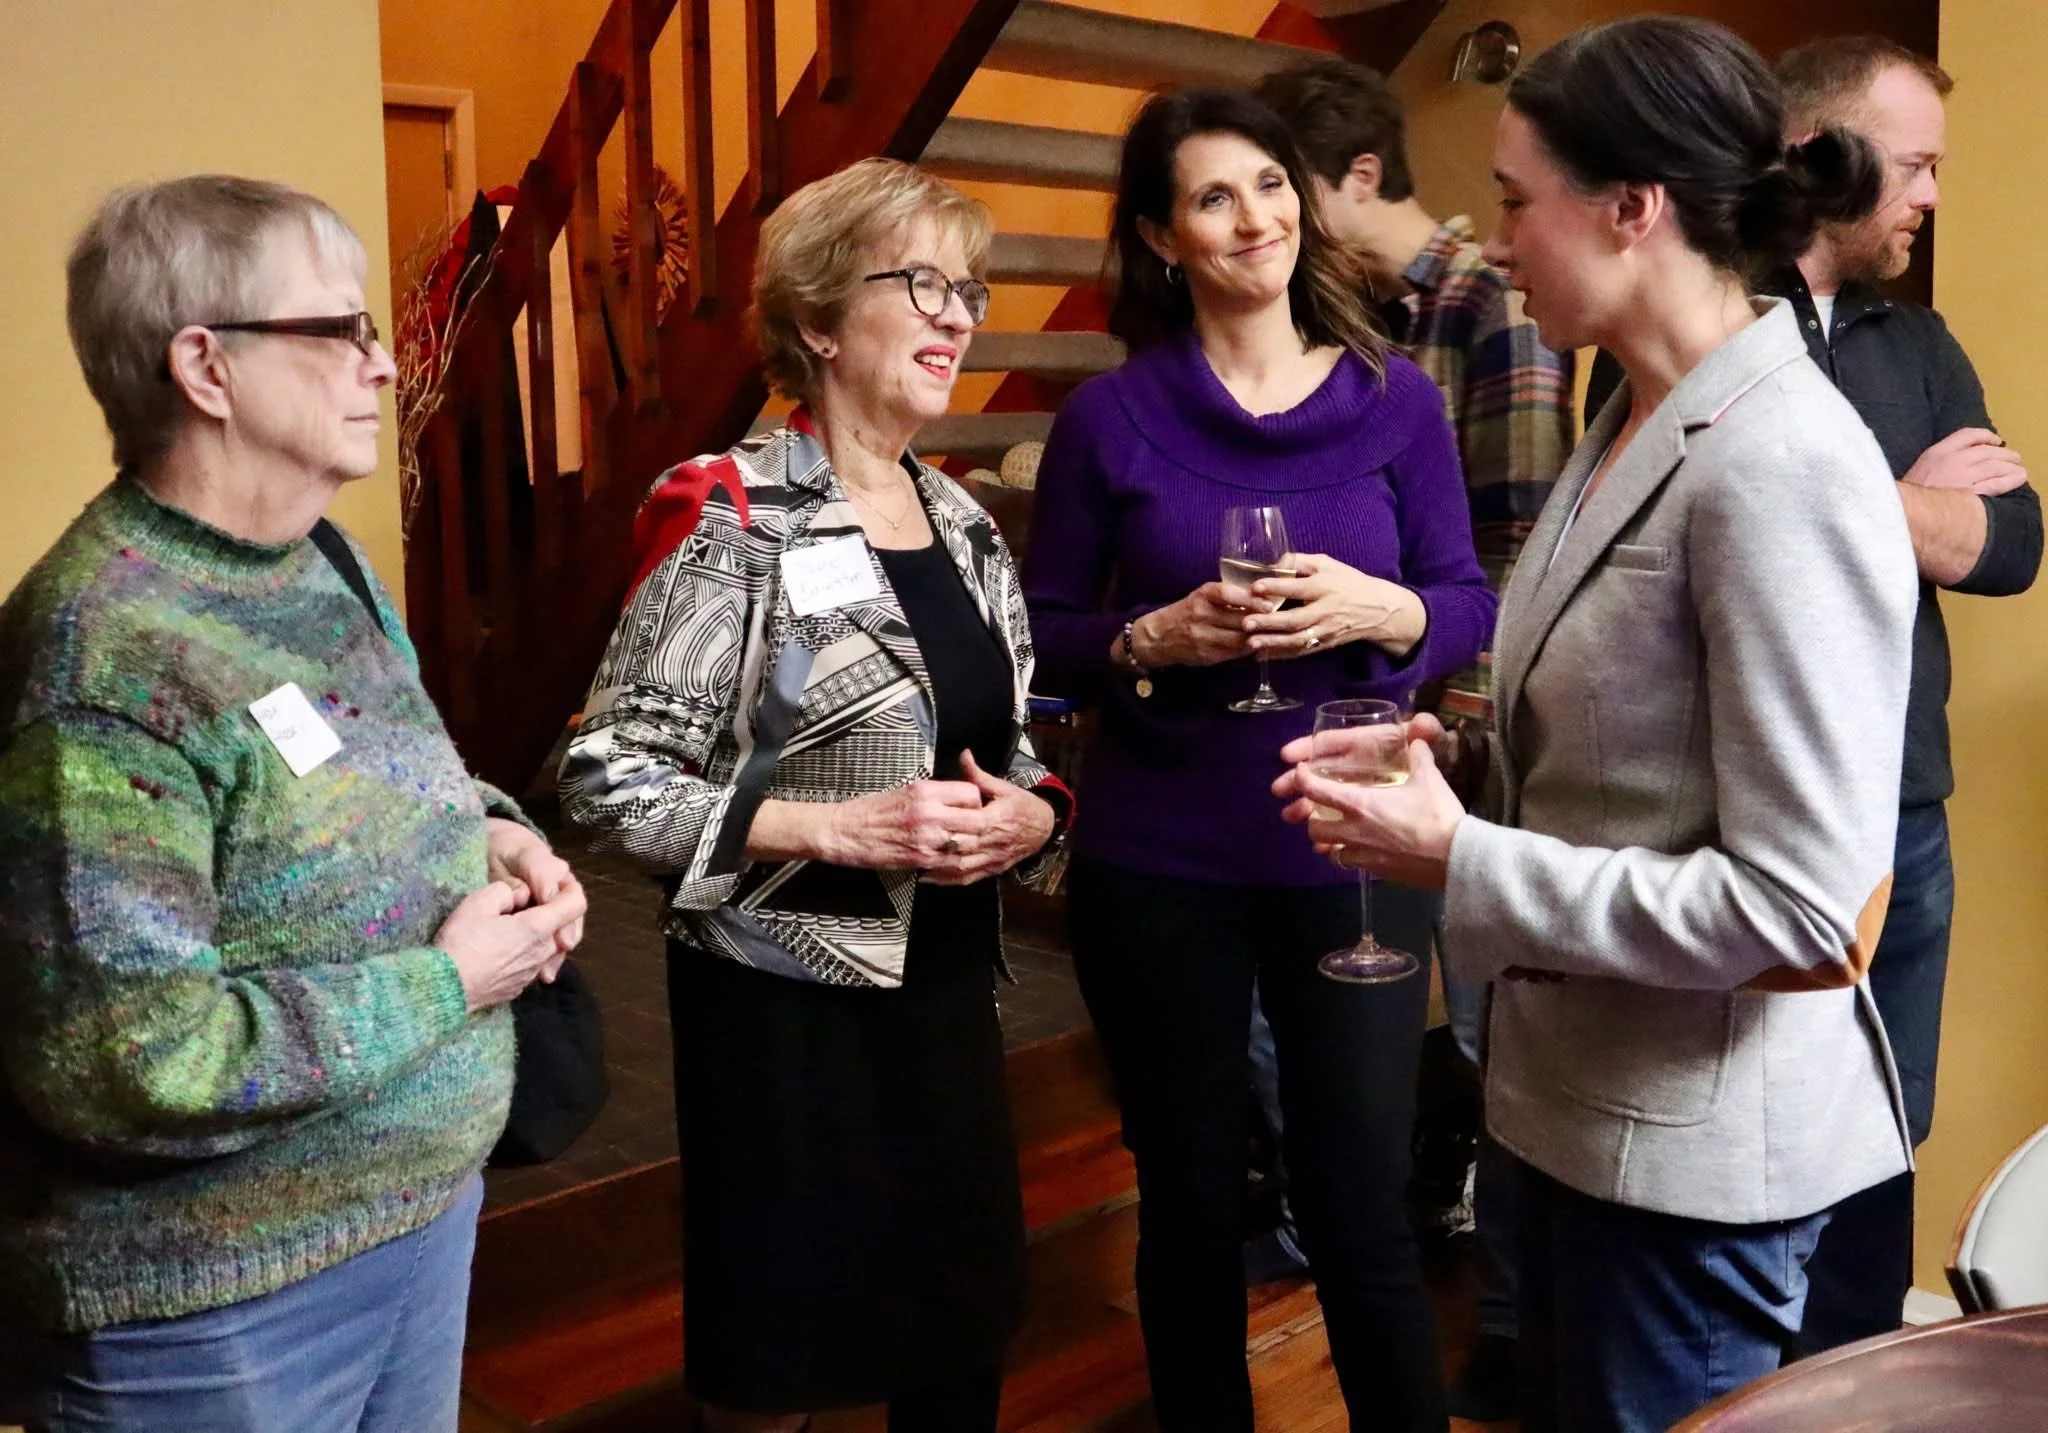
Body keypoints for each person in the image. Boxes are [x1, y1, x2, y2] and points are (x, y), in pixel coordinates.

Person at [1276, 18, 1919, 1432]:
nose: (1493, 243)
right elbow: (1624, 757)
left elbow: (1806, 909)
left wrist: (1461, 859)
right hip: (1570, 1114)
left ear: (1634, 206)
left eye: (1514, 200)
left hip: (1688, 1172)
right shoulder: (1631, 412)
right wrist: (1456, 765)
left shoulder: (1781, 465)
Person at [0, 176, 587, 1433]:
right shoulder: (106, 660)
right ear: (206, 366)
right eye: (343, 331)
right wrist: (449, 983)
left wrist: (492, 822)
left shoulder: (320, 556)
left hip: (415, 1218)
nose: (383, 365)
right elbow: (128, 1063)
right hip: (217, 1311)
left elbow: (373, 770)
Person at [558, 158, 1071, 1433]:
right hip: (781, 1005)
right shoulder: (728, 515)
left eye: (969, 288)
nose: (958, 314)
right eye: (922, 284)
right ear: (821, 318)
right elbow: (606, 771)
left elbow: (1010, 746)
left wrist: (1037, 815)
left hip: (944, 985)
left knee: (956, 1322)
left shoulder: (961, 523)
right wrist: (826, 827)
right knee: (784, 1342)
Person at [1024, 87, 1494, 1433]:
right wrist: (1157, 635)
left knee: (1360, 1192)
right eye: (1215, 196)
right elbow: (1049, 646)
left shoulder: (1396, 406)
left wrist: (1381, 611)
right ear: (1162, 239)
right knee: (1184, 1197)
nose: (1257, 218)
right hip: (1160, 858)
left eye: (1272, 184)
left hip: (1356, 848)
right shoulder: (1109, 419)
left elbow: (1468, 600)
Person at [1255, 55, 1576, 1415]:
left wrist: (1445, 726)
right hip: (1361, 724)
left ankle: (1508, 1316)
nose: (1260, 227)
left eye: (1284, 191)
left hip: (1466, 736)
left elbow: (1521, 546)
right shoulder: (1339, 314)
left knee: (1506, 1016)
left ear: (1362, 179)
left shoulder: (1492, 302)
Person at [1772, 36, 2040, 1356]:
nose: (1932, 194)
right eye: (1917, 163)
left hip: (1908, 816)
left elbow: (2014, 545)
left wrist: (1858, 504)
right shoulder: (1707, 324)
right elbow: (1743, 534)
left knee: (1885, 1133)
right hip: (1764, 823)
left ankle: (1856, 1381)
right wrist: (1914, 495)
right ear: (1821, 152)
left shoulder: (1918, 340)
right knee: (1768, 1139)